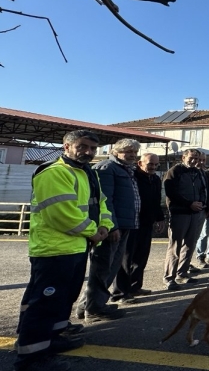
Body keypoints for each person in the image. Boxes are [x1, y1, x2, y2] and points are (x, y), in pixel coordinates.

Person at [15, 130, 112, 371]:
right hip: (54, 249)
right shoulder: (54, 172)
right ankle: (31, 357)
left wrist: (105, 226)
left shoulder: (87, 172)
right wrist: (93, 231)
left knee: (63, 298)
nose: (88, 152)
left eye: (93, 148)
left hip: (75, 246)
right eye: (82, 146)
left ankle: (53, 337)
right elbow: (61, 213)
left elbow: (101, 203)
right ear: (66, 146)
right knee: (44, 303)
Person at [78, 138, 140, 319]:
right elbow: (105, 200)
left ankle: (88, 306)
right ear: (115, 152)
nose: (132, 155)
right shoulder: (106, 168)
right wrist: (111, 227)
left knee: (110, 268)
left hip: (124, 224)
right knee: (103, 268)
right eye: (128, 151)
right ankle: (94, 309)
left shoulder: (125, 169)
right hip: (112, 228)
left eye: (134, 152)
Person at [115, 152, 164, 300]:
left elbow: (156, 200)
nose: (153, 167)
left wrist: (159, 218)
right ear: (140, 163)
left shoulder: (155, 179)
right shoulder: (133, 178)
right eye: (150, 164)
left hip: (146, 223)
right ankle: (120, 293)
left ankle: (135, 287)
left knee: (141, 257)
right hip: (131, 222)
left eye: (156, 164)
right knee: (126, 259)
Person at [162, 148, 207, 291]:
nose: (194, 161)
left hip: (195, 213)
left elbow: (203, 190)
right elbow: (171, 193)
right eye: (191, 158)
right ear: (184, 157)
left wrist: (201, 203)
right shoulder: (174, 171)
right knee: (175, 246)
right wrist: (189, 204)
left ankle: (182, 273)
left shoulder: (198, 172)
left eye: (196, 158)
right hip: (179, 213)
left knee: (190, 244)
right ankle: (169, 278)